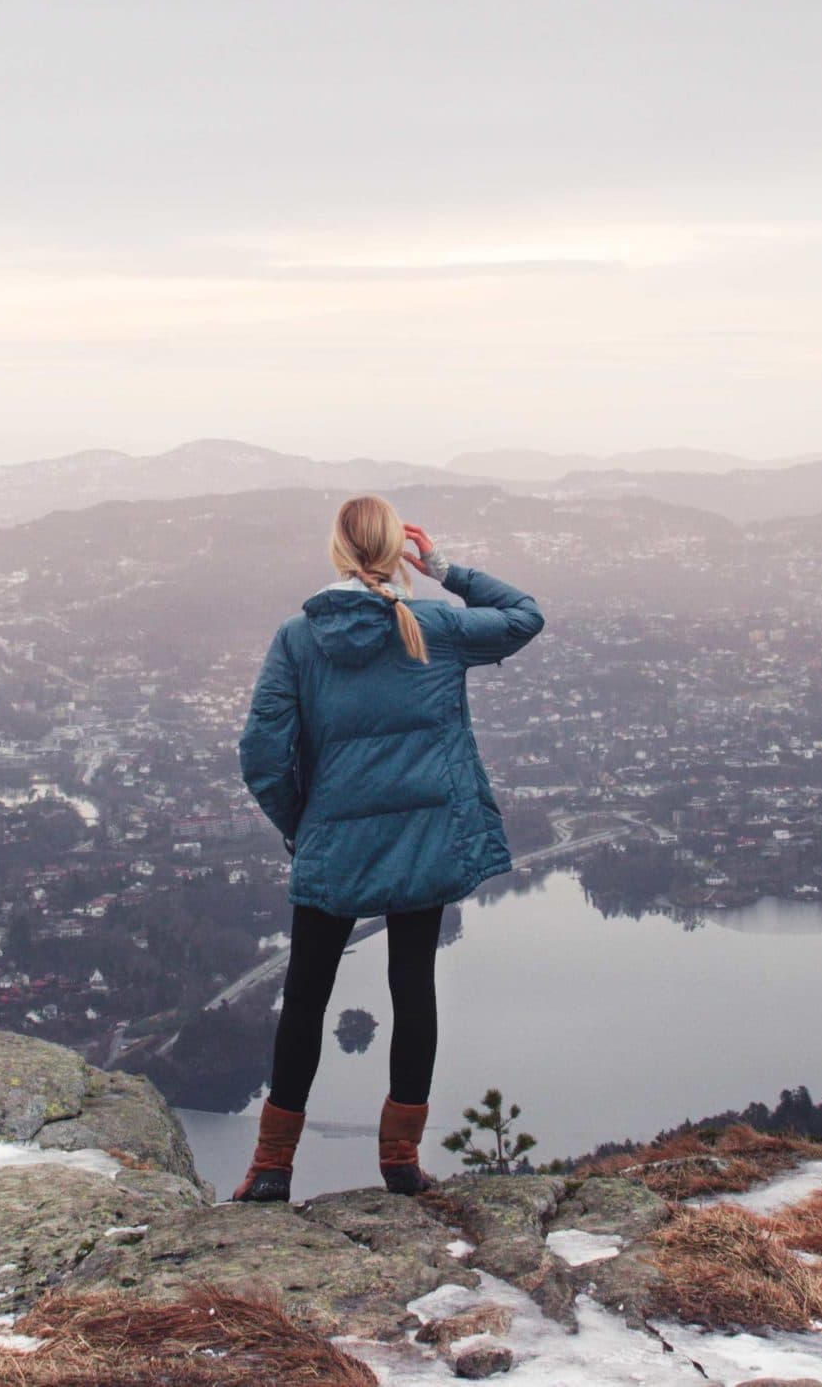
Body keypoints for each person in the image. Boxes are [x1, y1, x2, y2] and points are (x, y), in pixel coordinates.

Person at [233, 493, 545, 1201]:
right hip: (422, 842)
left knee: (306, 995)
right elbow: (527, 615)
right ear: (393, 552)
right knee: (414, 988)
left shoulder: (299, 639)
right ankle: (401, 1161)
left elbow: (260, 754)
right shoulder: (433, 624)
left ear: (339, 552)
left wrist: (301, 822)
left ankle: (271, 1166)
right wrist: (444, 568)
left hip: (334, 845)